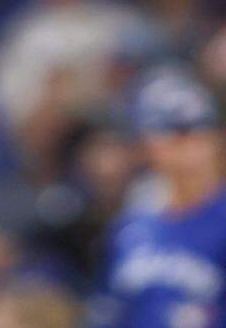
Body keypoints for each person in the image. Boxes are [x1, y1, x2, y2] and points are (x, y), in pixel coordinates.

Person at [88, 68, 226, 328]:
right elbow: (106, 313)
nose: (189, 145)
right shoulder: (130, 227)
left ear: (216, 138)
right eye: (174, 133)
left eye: (196, 130)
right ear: (147, 145)